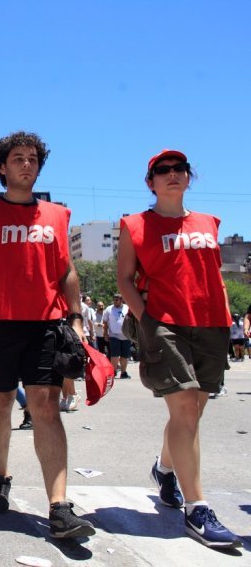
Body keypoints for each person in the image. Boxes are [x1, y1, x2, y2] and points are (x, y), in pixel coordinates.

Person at [0, 131, 95, 539]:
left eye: (32, 158)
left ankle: (59, 507)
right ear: (2, 167)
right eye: (17, 158)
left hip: (45, 324)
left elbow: (66, 270)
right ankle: (0, 476)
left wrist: (75, 318)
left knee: (45, 407)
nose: (26, 164)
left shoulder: (56, 215)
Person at [117, 149, 241, 549]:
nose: (173, 175)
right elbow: (124, 279)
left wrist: (226, 317)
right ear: (150, 182)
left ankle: (164, 468)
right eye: (162, 171)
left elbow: (212, 274)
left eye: (179, 169)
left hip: (212, 324)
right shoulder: (135, 225)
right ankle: (198, 508)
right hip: (165, 324)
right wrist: (147, 322)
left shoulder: (209, 222)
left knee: (195, 410)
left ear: (190, 178)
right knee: (185, 407)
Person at [103, 294, 132, 378]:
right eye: (114, 300)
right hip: (114, 335)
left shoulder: (127, 308)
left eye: (117, 300)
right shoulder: (109, 309)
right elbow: (105, 322)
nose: (115, 301)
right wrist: (105, 333)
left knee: (124, 355)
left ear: (121, 300)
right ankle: (113, 372)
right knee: (115, 354)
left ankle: (123, 373)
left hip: (126, 335)